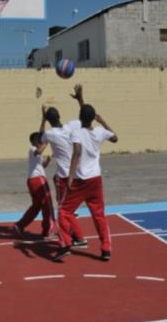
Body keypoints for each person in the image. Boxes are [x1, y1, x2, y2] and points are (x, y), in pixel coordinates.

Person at [53, 104, 119, 262]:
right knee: (99, 215)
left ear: (80, 117)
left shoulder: (77, 132)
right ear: (93, 118)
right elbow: (115, 138)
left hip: (80, 181)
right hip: (95, 180)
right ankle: (106, 248)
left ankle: (65, 244)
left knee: (64, 212)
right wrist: (102, 121)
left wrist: (69, 177)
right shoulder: (100, 132)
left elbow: (76, 153)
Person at [38, 84, 89, 248]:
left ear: (48, 120)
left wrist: (42, 119)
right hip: (77, 174)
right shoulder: (72, 126)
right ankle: (76, 237)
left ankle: (75, 239)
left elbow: (40, 143)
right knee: (68, 208)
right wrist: (80, 99)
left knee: (63, 209)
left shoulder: (50, 134)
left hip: (64, 176)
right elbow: (87, 117)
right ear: (60, 116)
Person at [13, 132, 57, 238]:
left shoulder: (37, 154)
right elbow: (39, 150)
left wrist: (49, 159)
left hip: (32, 180)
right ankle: (48, 231)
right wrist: (46, 141)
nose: (41, 142)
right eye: (39, 140)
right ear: (34, 141)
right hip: (38, 180)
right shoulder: (33, 149)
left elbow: (43, 166)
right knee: (48, 206)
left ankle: (20, 225)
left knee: (36, 206)